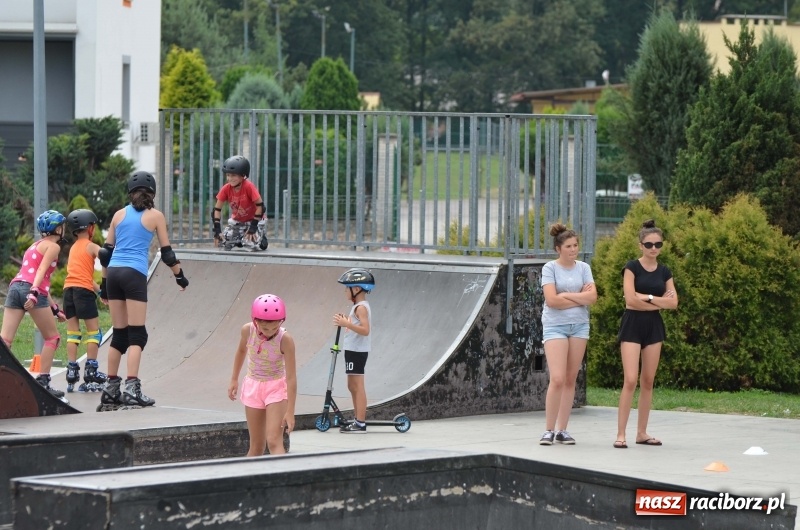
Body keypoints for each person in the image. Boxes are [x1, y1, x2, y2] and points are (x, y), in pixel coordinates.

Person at [98, 171, 189, 410]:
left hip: (114, 274)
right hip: (133, 274)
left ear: (130, 192)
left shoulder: (119, 214)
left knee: (119, 334)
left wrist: (103, 286)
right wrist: (179, 276)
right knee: (137, 335)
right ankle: (131, 388)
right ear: (153, 193)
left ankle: (110, 388)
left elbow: (105, 253)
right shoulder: (155, 216)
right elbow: (167, 253)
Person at [615, 219, 678, 449]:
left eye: (658, 244)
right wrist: (659, 302)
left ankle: (641, 432)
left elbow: (674, 303)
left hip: (654, 326)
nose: (654, 249)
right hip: (632, 324)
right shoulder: (631, 267)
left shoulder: (665, 271)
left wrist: (649, 298)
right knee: (630, 379)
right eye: (649, 244)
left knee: (648, 381)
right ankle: (621, 434)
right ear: (640, 245)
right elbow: (630, 301)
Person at [538, 223, 597, 446]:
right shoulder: (550, 268)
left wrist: (567, 296)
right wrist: (578, 296)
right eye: (569, 246)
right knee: (558, 378)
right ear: (558, 249)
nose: (573, 250)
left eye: (576, 245)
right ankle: (548, 430)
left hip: (579, 326)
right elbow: (551, 300)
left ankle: (563, 429)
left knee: (571, 378)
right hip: (555, 326)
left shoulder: (583, 268)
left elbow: (592, 298)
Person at [1, 210, 68, 398]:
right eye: (62, 226)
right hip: (31, 290)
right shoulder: (53, 247)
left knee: (5, 341)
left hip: (15, 288)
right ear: (57, 228)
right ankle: (43, 383)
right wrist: (33, 293)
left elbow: (37, 277)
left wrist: (54, 308)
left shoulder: (34, 245)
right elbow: (40, 272)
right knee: (52, 338)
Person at [228, 294, 297, 456]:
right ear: (255, 321)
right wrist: (234, 379)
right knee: (256, 446)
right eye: (265, 328)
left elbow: (292, 377)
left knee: (273, 440)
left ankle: (283, 479)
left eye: (275, 327)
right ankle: (248, 480)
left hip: (276, 388)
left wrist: (290, 411)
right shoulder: (247, 330)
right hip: (253, 385)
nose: (270, 332)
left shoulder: (285, 339)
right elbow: (241, 351)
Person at [62, 208, 107, 393]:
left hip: (68, 291)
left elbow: (84, 277)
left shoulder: (73, 248)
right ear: (90, 228)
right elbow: (105, 255)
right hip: (82, 292)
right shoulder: (90, 245)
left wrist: (100, 292)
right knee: (94, 333)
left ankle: (72, 372)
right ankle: (91, 372)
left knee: (73, 333)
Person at [332, 267, 374, 433]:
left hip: (357, 351)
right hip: (353, 350)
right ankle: (357, 419)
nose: (345, 292)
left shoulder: (361, 307)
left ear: (356, 289)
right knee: (352, 385)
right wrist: (346, 320)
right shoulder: (358, 306)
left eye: (346, 288)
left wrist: (346, 324)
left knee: (357, 386)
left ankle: (360, 422)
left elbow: (365, 330)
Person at [212, 155, 268, 251]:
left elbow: (261, 207)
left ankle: (261, 237)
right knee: (223, 242)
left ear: (243, 175)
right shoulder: (226, 188)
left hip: (254, 220)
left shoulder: (249, 187)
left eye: (233, 175)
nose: (230, 179)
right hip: (238, 221)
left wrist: (253, 227)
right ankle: (240, 238)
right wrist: (217, 230)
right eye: (228, 175)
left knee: (251, 245)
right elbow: (216, 209)